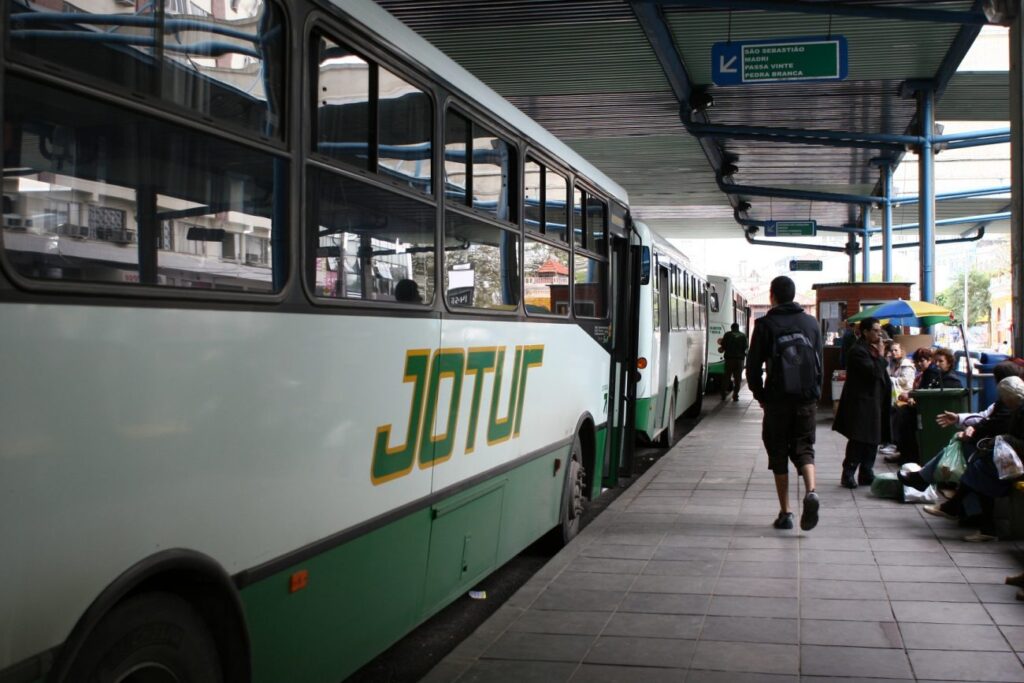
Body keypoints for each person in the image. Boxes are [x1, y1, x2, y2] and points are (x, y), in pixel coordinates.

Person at [746, 276, 823, 531]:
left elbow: (753, 367)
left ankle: (786, 512)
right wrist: (815, 394)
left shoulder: (765, 324)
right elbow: (820, 363)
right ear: (794, 294)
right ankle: (811, 491)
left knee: (778, 451)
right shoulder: (810, 323)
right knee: (804, 446)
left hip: (778, 400)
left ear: (772, 296)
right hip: (806, 398)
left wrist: (761, 396)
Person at [833, 317, 891, 488]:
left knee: (873, 439)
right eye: (874, 330)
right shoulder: (858, 351)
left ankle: (866, 472)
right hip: (862, 402)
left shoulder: (872, 349)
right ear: (865, 332)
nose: (878, 333)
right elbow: (873, 373)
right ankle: (848, 473)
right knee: (859, 439)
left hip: (875, 401)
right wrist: (881, 356)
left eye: (879, 330)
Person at [719, 322, 748, 401]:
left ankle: (723, 394)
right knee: (738, 378)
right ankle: (735, 395)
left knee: (726, 377)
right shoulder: (743, 336)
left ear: (731, 328)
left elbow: (723, 346)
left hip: (729, 360)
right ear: (738, 328)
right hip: (739, 360)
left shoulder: (727, 335)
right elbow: (745, 347)